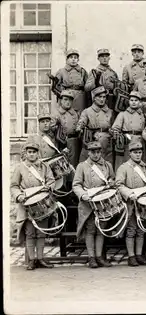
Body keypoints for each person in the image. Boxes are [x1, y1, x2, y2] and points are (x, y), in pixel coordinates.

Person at [11, 142, 56, 270]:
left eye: (34, 152)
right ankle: (31, 260)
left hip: (42, 203)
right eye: (29, 152)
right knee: (30, 233)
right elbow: (14, 185)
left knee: (41, 232)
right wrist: (19, 196)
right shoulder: (20, 167)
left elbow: (51, 180)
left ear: (38, 153)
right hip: (27, 203)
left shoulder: (44, 166)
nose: (32, 154)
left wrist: (49, 187)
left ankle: (41, 258)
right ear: (26, 153)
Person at [72, 141, 115, 268]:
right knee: (90, 230)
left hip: (103, 202)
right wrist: (83, 195)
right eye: (93, 152)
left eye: (98, 152)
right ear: (88, 153)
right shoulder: (82, 166)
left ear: (101, 152)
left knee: (100, 230)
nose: (96, 155)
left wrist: (111, 182)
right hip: (89, 202)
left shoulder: (107, 165)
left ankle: (99, 257)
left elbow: (112, 178)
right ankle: (91, 257)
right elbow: (76, 184)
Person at [115, 140, 146, 267]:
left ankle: (139, 255)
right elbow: (119, 184)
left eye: (140, 152)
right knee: (131, 230)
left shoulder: (145, 167)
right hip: (131, 202)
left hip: (143, 202)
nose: (138, 155)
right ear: (130, 153)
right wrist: (129, 194)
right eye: (135, 153)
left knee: (141, 230)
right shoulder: (124, 168)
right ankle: (131, 256)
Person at [76, 86, 114, 166]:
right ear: (94, 98)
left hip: (107, 143)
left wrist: (112, 131)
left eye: (104, 97)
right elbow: (81, 123)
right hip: (92, 141)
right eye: (99, 97)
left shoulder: (110, 112)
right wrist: (80, 128)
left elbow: (114, 126)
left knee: (106, 165)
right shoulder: (87, 111)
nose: (102, 99)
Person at [111, 91, 146, 172]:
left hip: (140, 141)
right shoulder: (123, 114)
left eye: (136, 100)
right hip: (127, 142)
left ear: (140, 102)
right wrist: (122, 136)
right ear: (128, 101)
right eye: (131, 100)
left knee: (139, 164)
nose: (133, 102)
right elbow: (115, 129)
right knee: (126, 163)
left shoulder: (144, 115)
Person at [85, 49, 119, 114]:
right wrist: (95, 81)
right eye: (102, 56)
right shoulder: (95, 72)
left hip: (111, 101)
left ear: (109, 58)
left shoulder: (113, 73)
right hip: (99, 101)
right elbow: (87, 88)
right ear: (98, 58)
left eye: (106, 56)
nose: (104, 58)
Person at [54, 49, 89, 113]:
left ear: (78, 60)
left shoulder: (82, 71)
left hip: (80, 98)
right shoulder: (61, 71)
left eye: (75, 58)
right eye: (71, 57)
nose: (73, 59)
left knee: (80, 115)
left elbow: (88, 86)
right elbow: (55, 87)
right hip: (67, 97)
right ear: (67, 60)